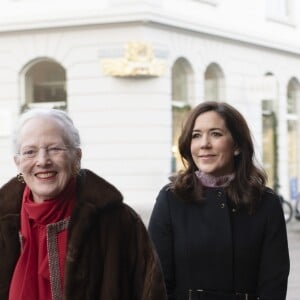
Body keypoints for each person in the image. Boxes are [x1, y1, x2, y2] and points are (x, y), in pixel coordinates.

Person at [0, 108, 167, 300]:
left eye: (55, 149)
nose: (42, 161)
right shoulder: (4, 220)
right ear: (18, 163)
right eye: (30, 152)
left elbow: (151, 292)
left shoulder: (117, 221)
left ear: (77, 157)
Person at [148, 101, 290, 300]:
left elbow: (274, 286)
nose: (204, 143)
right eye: (196, 135)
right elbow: (156, 282)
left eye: (216, 134)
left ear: (237, 146)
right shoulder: (172, 198)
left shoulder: (266, 203)